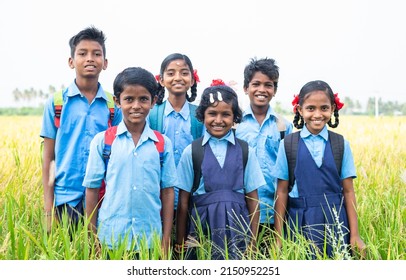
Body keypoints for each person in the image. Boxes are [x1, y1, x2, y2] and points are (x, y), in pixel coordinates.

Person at [84, 67, 177, 259]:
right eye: (129, 99)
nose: (136, 105)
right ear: (117, 101)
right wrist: (92, 236)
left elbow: (167, 191)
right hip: (111, 237)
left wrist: (166, 238)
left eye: (143, 99)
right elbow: (92, 190)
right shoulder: (103, 142)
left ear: (153, 101)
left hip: (150, 240)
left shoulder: (162, 144)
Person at [40, 26, 122, 233]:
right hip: (67, 198)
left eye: (97, 54)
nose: (90, 59)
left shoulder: (113, 105)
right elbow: (49, 159)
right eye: (82, 53)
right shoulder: (57, 104)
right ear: (71, 61)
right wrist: (49, 209)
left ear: (105, 63)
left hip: (104, 198)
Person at [273, 80, 366, 259]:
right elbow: (282, 191)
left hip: (336, 222)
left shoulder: (340, 144)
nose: (317, 114)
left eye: (324, 108)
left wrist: (355, 235)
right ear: (300, 110)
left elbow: (348, 191)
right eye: (310, 108)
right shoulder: (288, 145)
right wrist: (278, 237)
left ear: (332, 109)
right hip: (299, 221)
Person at [175, 83, 266, 260]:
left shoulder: (245, 151)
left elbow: (253, 200)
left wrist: (253, 243)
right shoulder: (192, 151)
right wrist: (180, 240)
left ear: (235, 117)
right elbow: (184, 202)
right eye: (212, 113)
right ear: (202, 115)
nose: (218, 120)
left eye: (226, 114)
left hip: (238, 230)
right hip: (201, 229)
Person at [235, 58, 293, 245]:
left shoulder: (284, 126)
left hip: (274, 213)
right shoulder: (235, 125)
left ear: (274, 91)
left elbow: (290, 172)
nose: (262, 90)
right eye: (256, 84)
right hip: (240, 212)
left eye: (268, 85)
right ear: (246, 88)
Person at [148, 53, 204, 218]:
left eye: (184, 73)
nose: (178, 78)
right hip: (159, 192)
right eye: (171, 73)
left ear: (192, 80)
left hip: (192, 193)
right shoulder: (152, 114)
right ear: (161, 80)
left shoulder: (200, 115)